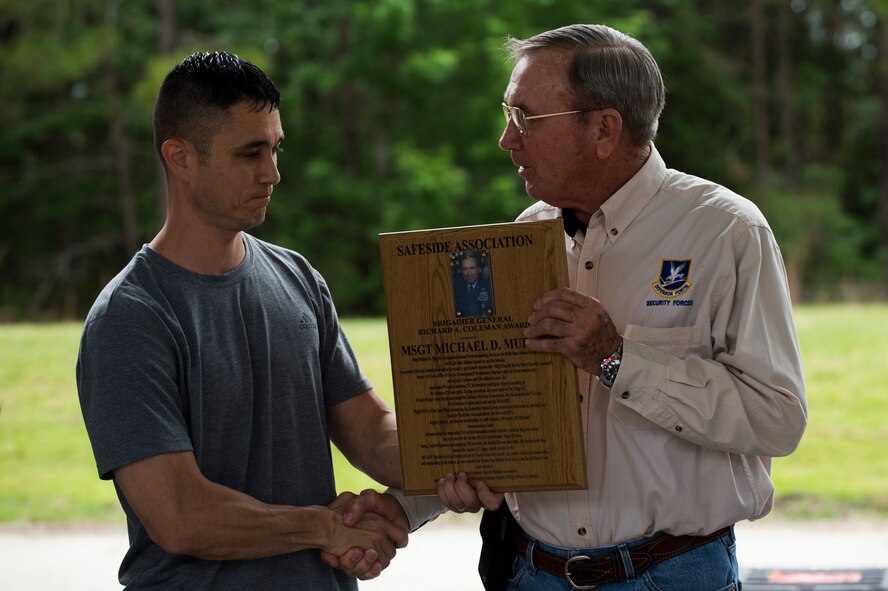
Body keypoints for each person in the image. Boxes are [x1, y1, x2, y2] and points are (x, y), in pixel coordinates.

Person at [437, 24, 808, 590]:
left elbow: (777, 419)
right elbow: (512, 409)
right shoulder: (524, 237)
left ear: (604, 128)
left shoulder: (725, 230)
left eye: (525, 119)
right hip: (533, 571)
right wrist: (484, 470)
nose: (507, 140)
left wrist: (616, 359)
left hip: (672, 574)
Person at [76, 51, 430, 590]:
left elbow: (368, 429)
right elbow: (180, 515)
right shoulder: (130, 318)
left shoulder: (298, 278)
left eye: (274, 148)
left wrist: (467, 454)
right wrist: (325, 529)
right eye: (249, 153)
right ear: (180, 157)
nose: (273, 173)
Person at [453, 252, 495, 317]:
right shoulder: (456, 290)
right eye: (465, 269)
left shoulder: (490, 288)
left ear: (478, 269)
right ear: (462, 271)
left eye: (472, 268)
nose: (469, 273)